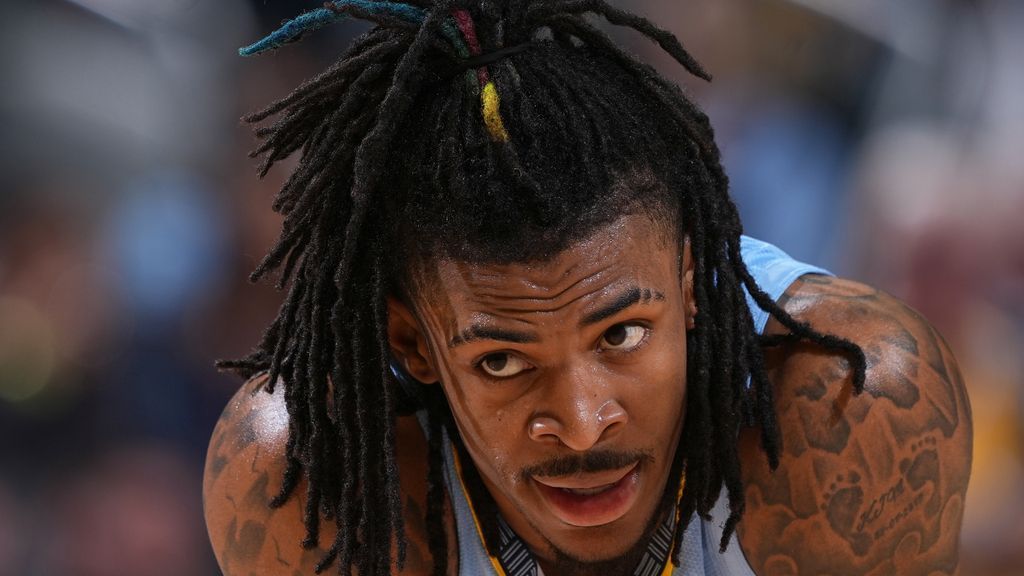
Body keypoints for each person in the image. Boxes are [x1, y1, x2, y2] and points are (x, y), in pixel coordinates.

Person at [202, 2, 972, 574]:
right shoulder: (306, 477)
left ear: (691, 281)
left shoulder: (850, 411)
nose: (580, 424)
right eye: (503, 362)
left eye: (621, 334)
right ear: (413, 343)